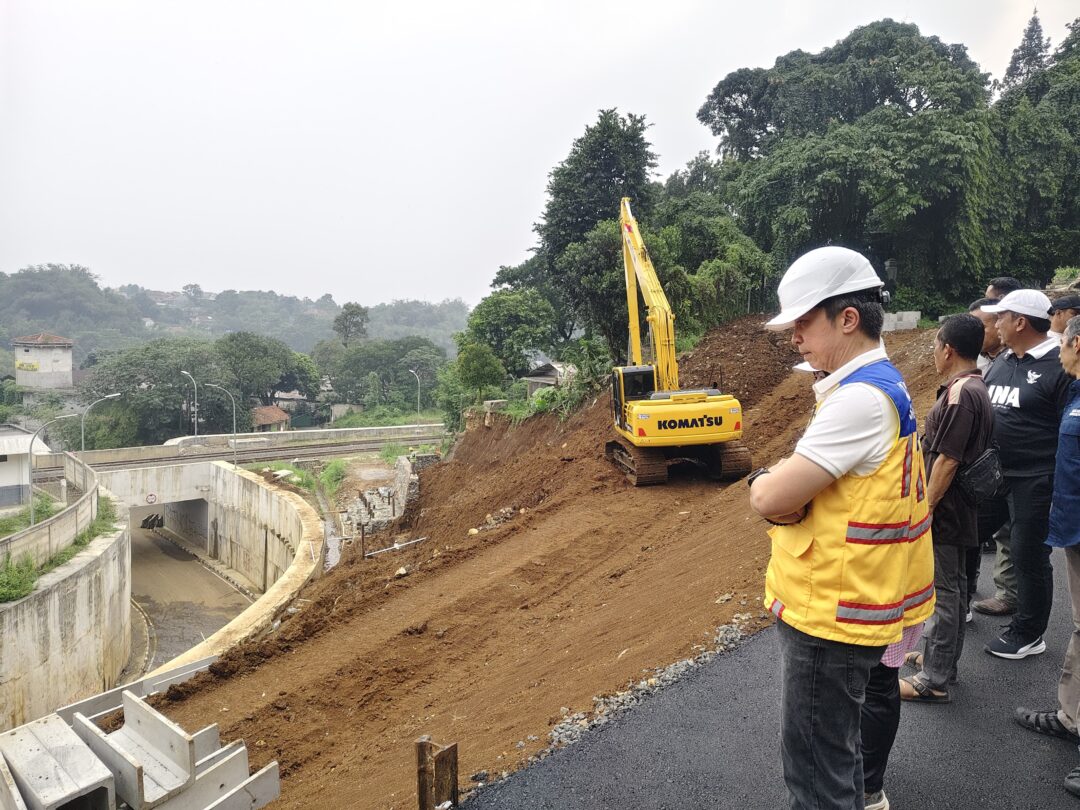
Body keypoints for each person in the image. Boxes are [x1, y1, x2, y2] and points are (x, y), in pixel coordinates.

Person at [749, 246, 934, 810]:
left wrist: (763, 478)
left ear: (846, 318)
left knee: (814, 771)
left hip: (829, 613)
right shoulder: (883, 384)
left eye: (804, 322)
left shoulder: (857, 401)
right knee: (838, 756)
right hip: (851, 603)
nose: (795, 338)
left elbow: (770, 496)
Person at [900, 314, 993, 702]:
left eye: (936, 347)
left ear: (948, 349)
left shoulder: (960, 395)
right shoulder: (974, 387)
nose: (934, 354)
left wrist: (927, 507)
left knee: (945, 591)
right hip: (960, 505)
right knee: (951, 588)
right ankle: (941, 660)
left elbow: (947, 460)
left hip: (948, 507)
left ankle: (934, 680)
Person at [978, 289, 1072, 658]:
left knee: (1027, 553)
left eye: (1001, 317)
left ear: (1020, 322)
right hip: (993, 475)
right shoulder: (1003, 360)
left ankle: (1029, 633)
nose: (995, 324)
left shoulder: (1059, 366)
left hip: (1035, 478)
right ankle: (955, 609)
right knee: (967, 534)